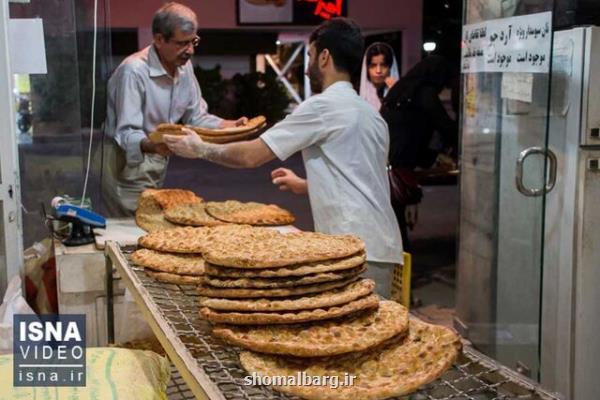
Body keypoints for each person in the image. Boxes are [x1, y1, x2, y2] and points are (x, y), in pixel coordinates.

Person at [163, 18, 403, 298]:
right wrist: (306, 184)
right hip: (383, 248)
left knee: (348, 335)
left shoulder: (323, 106)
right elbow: (363, 177)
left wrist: (201, 148)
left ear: (324, 57)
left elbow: (251, 155)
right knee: (374, 334)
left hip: (352, 248)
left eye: (310, 56)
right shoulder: (371, 114)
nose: (308, 64)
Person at [102, 2, 246, 216]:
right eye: (182, 43)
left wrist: (230, 126)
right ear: (159, 40)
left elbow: (196, 116)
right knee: (132, 230)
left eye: (193, 41)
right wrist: (153, 145)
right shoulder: (133, 71)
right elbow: (126, 132)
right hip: (127, 163)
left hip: (157, 157)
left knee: (151, 224)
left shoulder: (183, 66)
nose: (190, 50)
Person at [359, 42, 400, 111]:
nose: (378, 71)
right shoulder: (357, 96)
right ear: (366, 68)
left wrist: (395, 93)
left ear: (390, 67)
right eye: (373, 66)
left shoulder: (402, 94)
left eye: (383, 65)